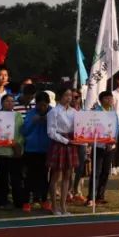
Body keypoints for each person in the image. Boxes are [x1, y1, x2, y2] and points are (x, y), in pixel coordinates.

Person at [46, 86, 78, 217]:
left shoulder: (74, 111)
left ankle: (63, 206)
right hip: (59, 143)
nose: (69, 98)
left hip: (71, 143)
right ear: (60, 96)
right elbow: (51, 132)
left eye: (70, 95)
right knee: (56, 176)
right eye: (66, 95)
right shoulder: (54, 112)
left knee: (67, 175)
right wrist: (66, 141)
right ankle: (54, 205)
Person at [21, 91, 52, 212]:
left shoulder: (52, 113)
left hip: (46, 149)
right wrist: (34, 122)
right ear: (36, 104)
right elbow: (24, 132)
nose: (42, 107)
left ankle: (44, 200)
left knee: (44, 176)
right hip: (31, 149)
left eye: (45, 105)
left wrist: (47, 120)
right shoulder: (30, 114)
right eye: (40, 105)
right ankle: (26, 201)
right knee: (30, 176)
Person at [0, 94, 25, 210]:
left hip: (15, 149)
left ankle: (18, 201)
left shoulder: (18, 115)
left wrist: (17, 144)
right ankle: (1, 200)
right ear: (2, 103)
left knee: (16, 176)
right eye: (7, 101)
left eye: (12, 101)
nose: (10, 103)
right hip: (2, 150)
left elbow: (21, 132)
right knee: (2, 177)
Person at [86, 91, 118, 207]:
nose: (110, 100)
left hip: (110, 147)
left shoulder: (113, 112)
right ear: (101, 100)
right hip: (99, 146)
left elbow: (116, 127)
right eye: (107, 98)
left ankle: (100, 196)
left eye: (111, 98)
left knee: (105, 172)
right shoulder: (96, 111)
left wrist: (113, 140)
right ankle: (90, 197)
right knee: (96, 172)